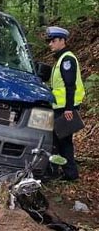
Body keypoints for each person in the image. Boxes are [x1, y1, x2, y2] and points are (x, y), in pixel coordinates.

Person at [43, 26, 86, 181]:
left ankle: (69, 173)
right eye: (50, 41)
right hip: (60, 106)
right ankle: (60, 171)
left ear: (62, 41)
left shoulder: (67, 59)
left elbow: (70, 86)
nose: (50, 44)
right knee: (58, 139)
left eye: (53, 41)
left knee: (63, 140)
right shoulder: (61, 59)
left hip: (65, 108)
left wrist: (69, 108)